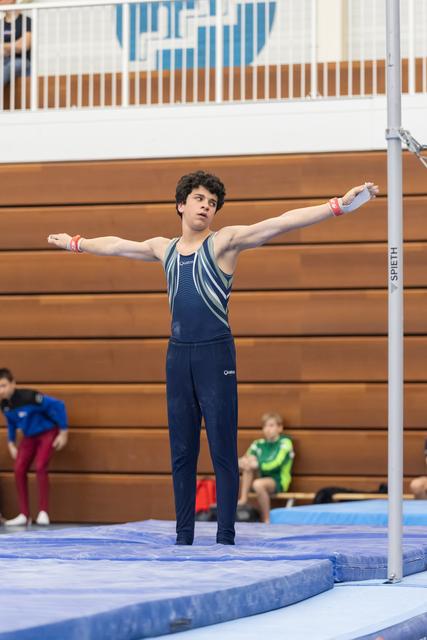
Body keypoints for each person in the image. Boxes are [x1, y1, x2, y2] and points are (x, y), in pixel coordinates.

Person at [47, 171, 378, 545]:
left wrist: (337, 205)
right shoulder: (163, 248)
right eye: (200, 199)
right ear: (181, 204)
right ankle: (183, 536)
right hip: (177, 357)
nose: (207, 206)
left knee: (222, 448)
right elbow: (117, 245)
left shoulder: (224, 243)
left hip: (215, 353)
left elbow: (279, 223)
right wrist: (77, 243)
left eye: (212, 203)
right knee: (182, 450)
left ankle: (225, 536)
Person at [0, 368, 68, 526]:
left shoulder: (30, 397)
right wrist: (11, 443)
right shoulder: (4, 405)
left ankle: (43, 511)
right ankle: (24, 514)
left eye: (3, 385)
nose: (0, 390)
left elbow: (59, 405)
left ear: (13, 384)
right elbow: (11, 422)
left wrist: (63, 432)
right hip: (29, 437)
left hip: (47, 433)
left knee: (40, 466)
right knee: (18, 469)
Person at [238, 412, 294, 523]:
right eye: (265, 426)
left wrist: (258, 464)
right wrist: (242, 462)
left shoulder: (285, 443)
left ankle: (267, 519)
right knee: (248, 466)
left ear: (280, 428)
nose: (268, 429)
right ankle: (243, 499)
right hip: (260, 476)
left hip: (278, 479)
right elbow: (246, 457)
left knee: (258, 484)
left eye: (271, 425)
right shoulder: (258, 443)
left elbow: (277, 463)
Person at [1, 0, 32, 87]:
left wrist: (3, 46)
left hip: (23, 62)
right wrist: (14, 45)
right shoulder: (0, 24)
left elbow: (23, 46)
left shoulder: (26, 21)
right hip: (4, 62)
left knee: (14, 64)